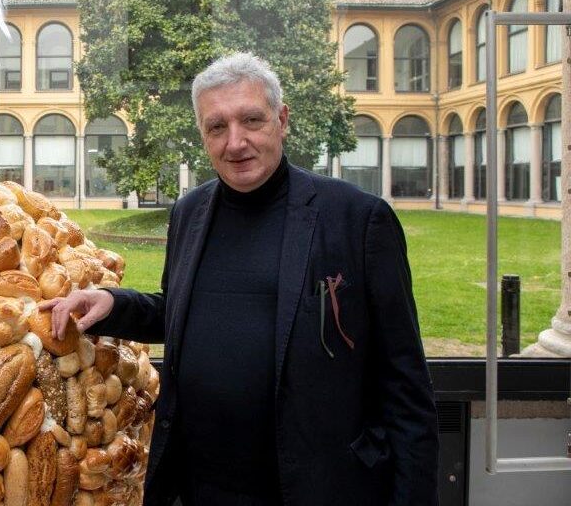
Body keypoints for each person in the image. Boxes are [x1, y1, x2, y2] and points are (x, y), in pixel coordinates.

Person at [40, 53, 439, 506]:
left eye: (251, 120)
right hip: (203, 488)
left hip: (317, 487)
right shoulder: (190, 212)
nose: (235, 142)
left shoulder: (358, 219)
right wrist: (114, 304)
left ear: (281, 120)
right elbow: (185, 311)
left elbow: (407, 389)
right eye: (217, 127)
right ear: (203, 135)